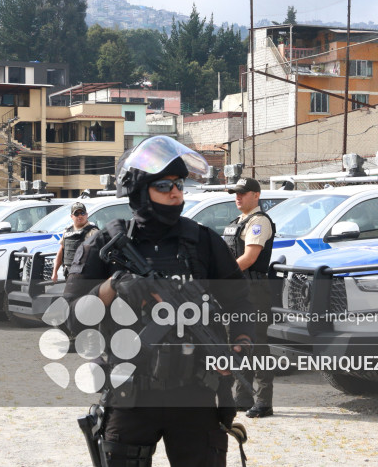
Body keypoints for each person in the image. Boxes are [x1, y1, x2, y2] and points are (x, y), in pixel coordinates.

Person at [64, 136, 254, 466]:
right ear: (140, 191)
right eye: (164, 185)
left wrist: (241, 342)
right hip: (130, 393)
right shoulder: (104, 243)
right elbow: (71, 318)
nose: (176, 193)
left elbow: (241, 302)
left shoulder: (203, 242)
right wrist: (113, 286)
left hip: (195, 393)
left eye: (179, 184)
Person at [224, 177, 276, 418]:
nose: (238, 197)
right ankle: (242, 397)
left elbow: (249, 258)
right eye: (236, 193)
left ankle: (264, 401)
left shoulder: (259, 221)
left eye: (243, 193)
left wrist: (223, 275)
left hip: (253, 290)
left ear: (256, 195)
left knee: (257, 346)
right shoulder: (238, 222)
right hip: (237, 290)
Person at [51, 202, 99, 282]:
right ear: (72, 216)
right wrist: (55, 271)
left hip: (86, 276)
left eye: (82, 213)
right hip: (69, 274)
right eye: (76, 214)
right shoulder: (67, 231)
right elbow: (61, 252)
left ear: (86, 215)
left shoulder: (93, 232)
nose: (80, 216)